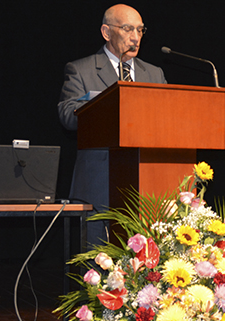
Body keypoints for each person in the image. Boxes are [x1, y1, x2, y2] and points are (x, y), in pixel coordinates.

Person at [58, 4, 167, 247]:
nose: (135, 37)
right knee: (99, 262)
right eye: (128, 29)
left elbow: (166, 117)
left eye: (140, 30)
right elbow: (67, 114)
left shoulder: (154, 74)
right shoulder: (81, 69)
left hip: (149, 181)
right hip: (100, 182)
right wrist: (102, 106)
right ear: (106, 32)